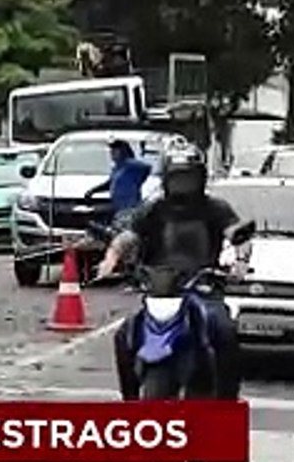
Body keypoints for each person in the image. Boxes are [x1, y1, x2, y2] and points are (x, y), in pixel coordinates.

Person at [97, 144, 242, 403]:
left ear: (200, 178)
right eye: (178, 178)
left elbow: (234, 232)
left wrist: (238, 256)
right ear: (166, 179)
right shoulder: (154, 209)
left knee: (224, 330)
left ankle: (227, 402)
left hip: (203, 288)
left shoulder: (215, 208)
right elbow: (130, 235)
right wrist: (112, 257)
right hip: (161, 288)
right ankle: (129, 401)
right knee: (123, 335)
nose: (183, 185)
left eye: (189, 178)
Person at [84, 138, 152, 222]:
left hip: (129, 208)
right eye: (111, 150)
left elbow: (147, 168)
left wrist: (139, 181)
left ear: (122, 151)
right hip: (117, 206)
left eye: (115, 150)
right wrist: (93, 191)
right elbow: (109, 184)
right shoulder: (117, 167)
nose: (111, 152)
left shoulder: (130, 164)